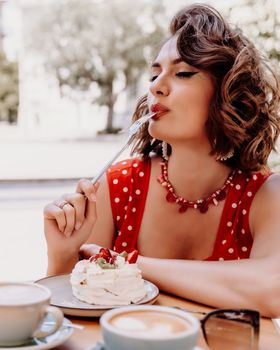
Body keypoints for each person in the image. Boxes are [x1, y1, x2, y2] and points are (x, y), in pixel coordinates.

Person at [44, 4, 280, 317]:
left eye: (182, 73)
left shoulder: (266, 196)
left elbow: (272, 290)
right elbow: (71, 314)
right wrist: (61, 255)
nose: (156, 86)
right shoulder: (116, 187)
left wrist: (128, 263)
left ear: (228, 92)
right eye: (154, 74)